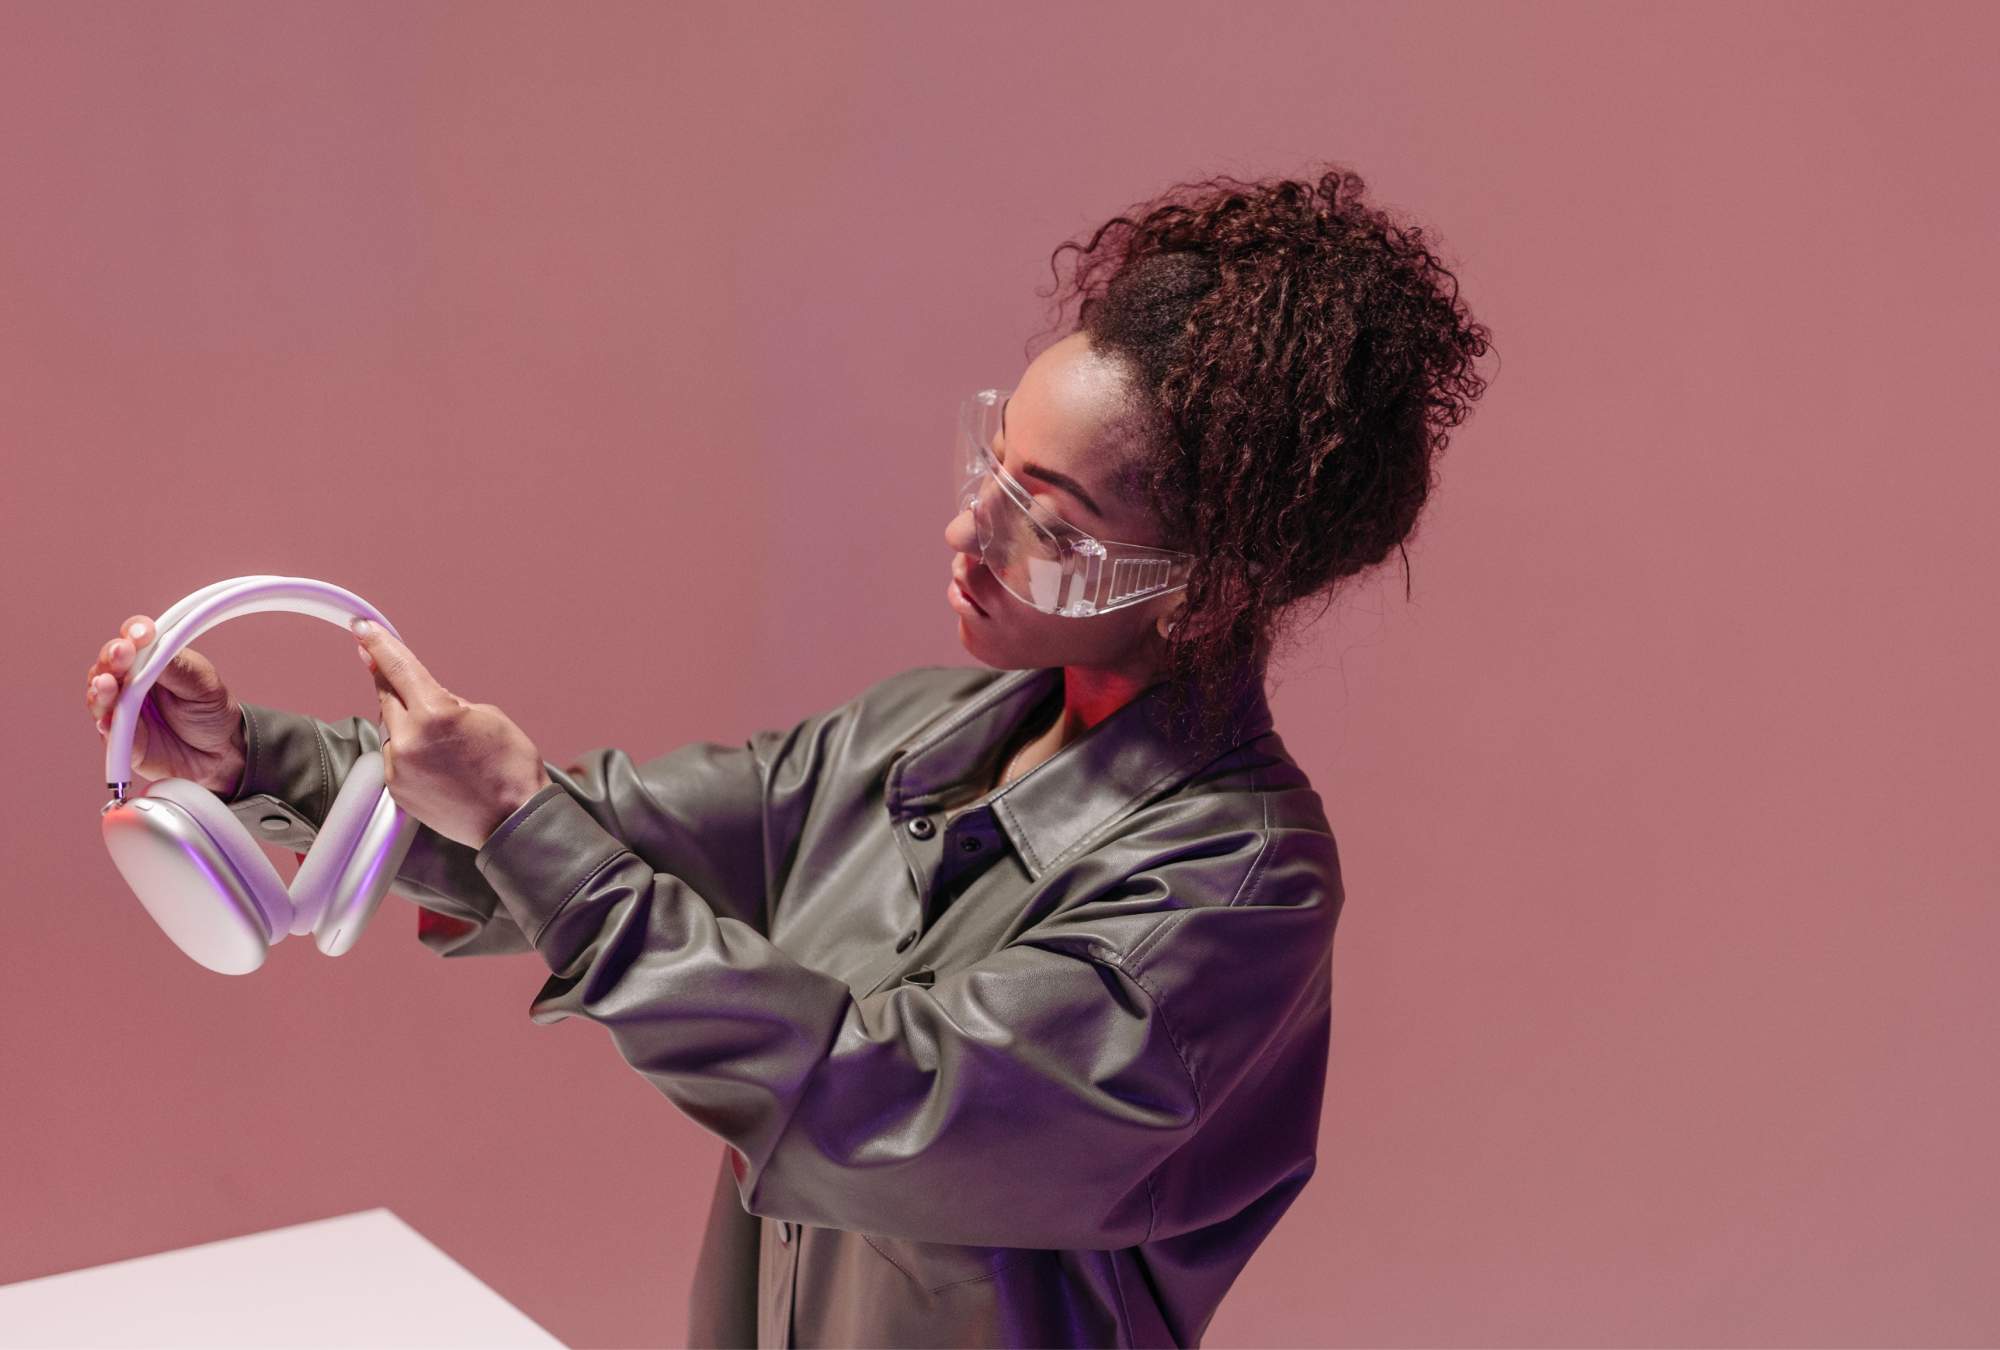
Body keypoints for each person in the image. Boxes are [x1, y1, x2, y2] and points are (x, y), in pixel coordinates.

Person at [83, 164, 1494, 1348]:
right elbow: (603, 833)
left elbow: (881, 1099)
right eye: (991, 465)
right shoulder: (916, 737)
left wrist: (522, 820)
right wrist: (252, 759)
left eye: (1048, 523)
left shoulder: (1239, 892)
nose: (971, 531)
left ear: (1204, 589)